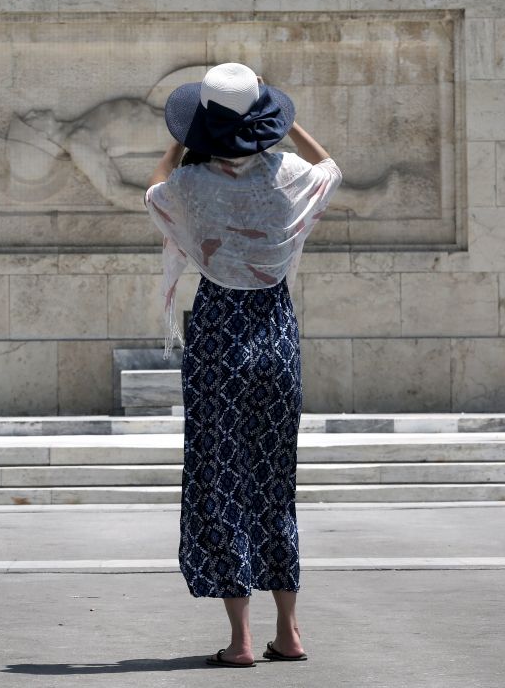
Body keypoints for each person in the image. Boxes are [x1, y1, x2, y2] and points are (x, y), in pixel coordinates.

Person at [144, 63, 341, 667]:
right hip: (276, 336)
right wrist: (286, 125)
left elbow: (155, 189)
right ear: (262, 123)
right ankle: (291, 631)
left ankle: (242, 640)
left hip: (219, 337)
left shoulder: (192, 186)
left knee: (221, 477)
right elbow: (331, 168)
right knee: (274, 482)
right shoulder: (287, 177)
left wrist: (186, 136)